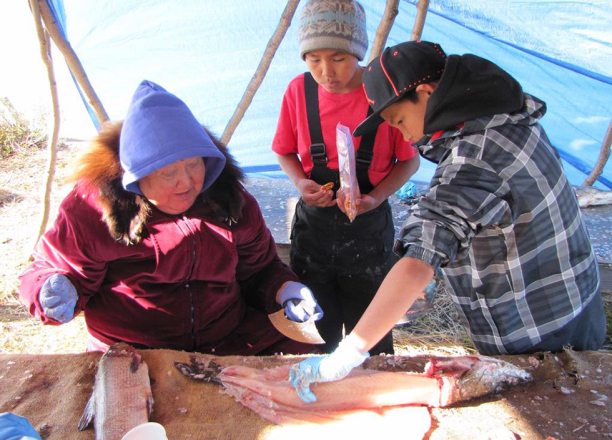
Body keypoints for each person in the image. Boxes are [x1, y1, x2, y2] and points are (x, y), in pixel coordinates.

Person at [289, 40, 607, 402]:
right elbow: (490, 207)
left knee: (553, 407)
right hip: (575, 293)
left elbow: (415, 267)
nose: (402, 134)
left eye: (399, 120)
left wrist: (348, 354)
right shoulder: (502, 114)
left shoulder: (475, 158)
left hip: (538, 325)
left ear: (425, 93)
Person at [19, 80, 323, 355]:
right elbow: (53, 268)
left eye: (194, 164)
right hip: (132, 351)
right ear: (136, 175)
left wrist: (285, 290)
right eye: (168, 173)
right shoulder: (93, 209)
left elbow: (259, 270)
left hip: (227, 337)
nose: (187, 183)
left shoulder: (229, 200)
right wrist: (52, 288)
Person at [272, 0, 420, 355]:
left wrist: (376, 198)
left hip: (368, 231)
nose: (327, 71)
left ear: (358, 51)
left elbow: (409, 162)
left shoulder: (382, 96)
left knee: (369, 329)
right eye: (314, 59)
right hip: (314, 229)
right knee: (314, 325)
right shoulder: (298, 92)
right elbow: (283, 151)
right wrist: (301, 184)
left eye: (338, 58)